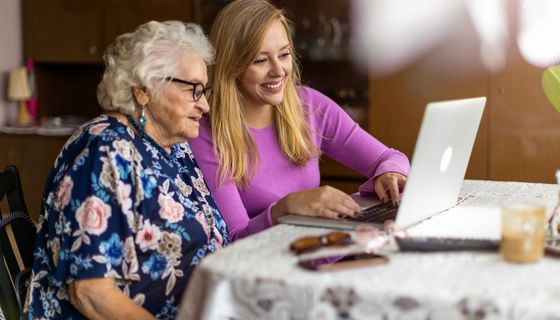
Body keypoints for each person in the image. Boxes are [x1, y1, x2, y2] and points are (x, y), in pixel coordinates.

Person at [26, 21, 227, 319]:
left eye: (204, 90)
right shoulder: (105, 150)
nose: (205, 105)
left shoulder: (174, 146)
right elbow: (91, 292)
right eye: (194, 90)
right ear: (144, 90)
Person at [188, 0, 410, 242]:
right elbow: (234, 239)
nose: (279, 70)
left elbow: (390, 158)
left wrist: (389, 174)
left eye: (284, 55)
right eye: (260, 60)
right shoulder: (206, 131)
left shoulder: (309, 105)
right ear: (232, 66)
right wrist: (286, 206)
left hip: (325, 250)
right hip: (267, 267)